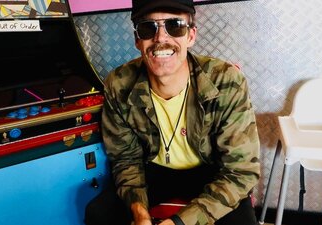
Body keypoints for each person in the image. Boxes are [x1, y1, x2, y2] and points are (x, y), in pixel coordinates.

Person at [85, 0, 260, 224]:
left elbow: (241, 171)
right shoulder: (118, 84)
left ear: (191, 35)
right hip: (153, 171)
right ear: (138, 39)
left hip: (212, 172)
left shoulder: (226, 80)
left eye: (174, 25)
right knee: (98, 213)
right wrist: (140, 213)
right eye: (148, 27)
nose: (160, 38)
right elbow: (125, 159)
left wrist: (179, 222)